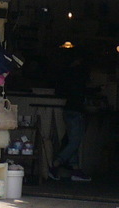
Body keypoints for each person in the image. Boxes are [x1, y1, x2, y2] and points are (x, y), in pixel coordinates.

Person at [49, 50, 91, 182]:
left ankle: (75, 169)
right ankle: (55, 164)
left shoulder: (66, 73)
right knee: (74, 142)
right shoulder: (80, 74)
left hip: (68, 109)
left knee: (73, 141)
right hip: (77, 110)